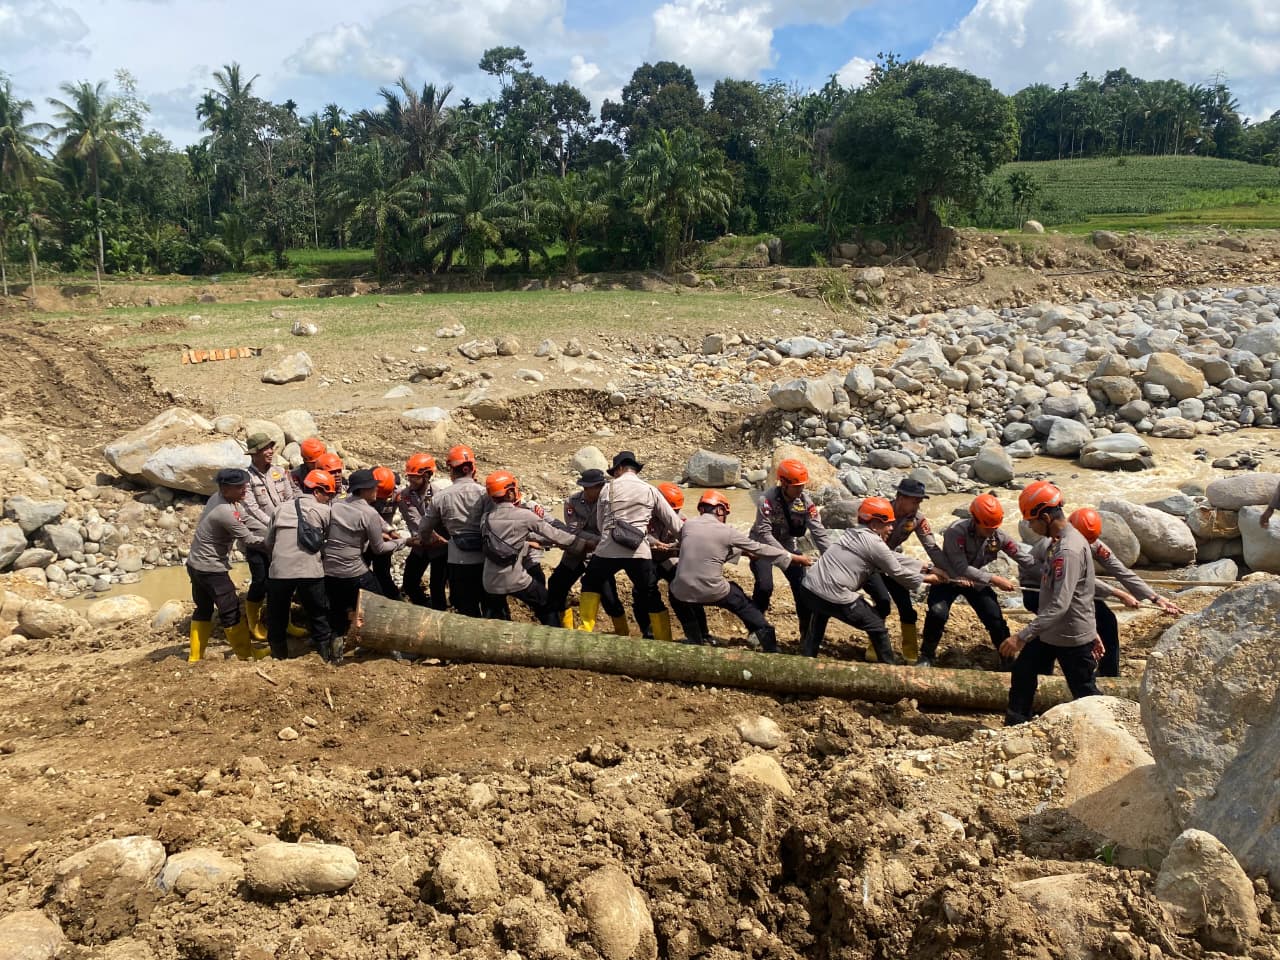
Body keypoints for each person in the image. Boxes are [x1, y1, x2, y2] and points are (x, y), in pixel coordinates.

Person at [794, 497, 945, 662]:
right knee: (877, 627)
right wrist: (928, 578)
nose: (891, 528)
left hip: (809, 589)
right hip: (835, 594)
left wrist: (925, 566)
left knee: (821, 612)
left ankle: (808, 658)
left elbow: (888, 556)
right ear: (874, 524)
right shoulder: (874, 543)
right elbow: (897, 571)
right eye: (887, 524)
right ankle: (889, 671)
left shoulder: (853, 532)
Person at [1002, 483, 1102, 725]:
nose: (1031, 527)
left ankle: (1112, 730)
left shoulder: (1067, 550)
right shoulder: (1058, 541)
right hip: (1051, 632)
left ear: (1045, 517)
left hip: (1070, 637)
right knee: (1023, 671)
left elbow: (1060, 604)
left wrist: (1022, 636)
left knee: (1086, 693)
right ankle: (1016, 723)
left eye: (1031, 521)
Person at [669, 490, 809, 651]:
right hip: (713, 590)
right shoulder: (727, 531)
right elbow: (759, 548)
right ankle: (769, 645)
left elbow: (705, 547)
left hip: (680, 592)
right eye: (724, 514)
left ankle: (695, 640)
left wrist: (742, 552)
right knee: (741, 600)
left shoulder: (688, 525)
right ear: (719, 510)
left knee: (677, 595)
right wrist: (792, 558)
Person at [1050, 507, 1181, 677]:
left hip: (1078, 592)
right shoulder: (1060, 546)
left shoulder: (1092, 543)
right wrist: (1120, 594)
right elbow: (1081, 579)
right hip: (1053, 593)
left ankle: (1109, 674)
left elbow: (1120, 570)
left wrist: (1155, 597)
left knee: (1106, 621)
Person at [919, 493, 1036, 668]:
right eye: (987, 527)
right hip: (948, 577)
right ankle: (927, 655)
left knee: (994, 617)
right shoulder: (956, 531)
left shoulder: (998, 536)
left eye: (994, 528)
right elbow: (961, 567)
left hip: (975, 581)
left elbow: (1022, 557)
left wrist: (1046, 571)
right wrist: (995, 579)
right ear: (975, 520)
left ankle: (1006, 658)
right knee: (937, 613)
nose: (991, 531)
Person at [577, 451, 681, 641]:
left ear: (619, 469)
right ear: (634, 469)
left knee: (591, 583)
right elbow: (674, 524)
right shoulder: (650, 490)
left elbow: (601, 525)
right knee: (650, 594)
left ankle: (584, 631)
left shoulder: (607, 490)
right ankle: (665, 641)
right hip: (639, 551)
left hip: (607, 549)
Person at [480, 471, 586, 623]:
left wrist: (530, 541)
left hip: (490, 581)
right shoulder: (525, 514)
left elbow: (502, 542)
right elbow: (555, 533)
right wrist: (582, 544)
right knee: (546, 604)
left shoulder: (485, 519)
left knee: (497, 619)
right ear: (510, 492)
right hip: (515, 577)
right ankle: (556, 641)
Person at [185, 467, 267, 662]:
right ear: (225, 488)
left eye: (244, 485)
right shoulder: (224, 512)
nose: (244, 490)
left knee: (203, 609)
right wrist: (276, 542)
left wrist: (271, 527)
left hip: (195, 564)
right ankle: (246, 654)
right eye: (239, 487)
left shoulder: (221, 499)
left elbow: (245, 518)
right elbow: (248, 539)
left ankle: (195, 657)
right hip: (211, 568)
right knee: (230, 611)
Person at [862, 478, 946, 663]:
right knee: (883, 604)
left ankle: (910, 655)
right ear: (900, 497)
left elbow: (931, 547)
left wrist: (946, 569)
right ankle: (874, 650)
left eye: (919, 501)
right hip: (870, 565)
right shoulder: (880, 512)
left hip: (892, 564)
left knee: (907, 610)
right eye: (914, 500)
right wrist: (922, 569)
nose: (917, 505)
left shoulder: (917, 519)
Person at [749, 459, 832, 642]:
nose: (800, 490)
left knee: (802, 587)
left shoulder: (805, 502)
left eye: (802, 486)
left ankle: (806, 633)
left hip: (787, 544)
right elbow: (764, 532)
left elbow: (818, 531)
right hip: (762, 546)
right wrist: (788, 557)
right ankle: (756, 627)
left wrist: (832, 557)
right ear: (783, 483)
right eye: (796, 486)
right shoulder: (767, 500)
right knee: (765, 586)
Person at [545, 469, 630, 633]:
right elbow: (573, 530)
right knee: (556, 585)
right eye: (591, 487)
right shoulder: (572, 501)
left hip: (599, 557)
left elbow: (611, 529)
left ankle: (623, 632)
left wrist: (596, 540)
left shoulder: (610, 502)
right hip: (576, 553)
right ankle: (565, 629)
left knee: (609, 597)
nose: (595, 490)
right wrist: (596, 540)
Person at [264, 469, 337, 662]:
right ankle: (324, 658)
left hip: (280, 572)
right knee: (318, 615)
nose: (329, 499)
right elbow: (330, 541)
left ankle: (278, 659)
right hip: (310, 571)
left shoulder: (280, 508)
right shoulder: (325, 511)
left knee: (276, 617)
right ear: (317, 491)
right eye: (328, 494)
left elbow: (268, 542)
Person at [324, 468, 403, 640]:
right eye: (373, 487)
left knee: (337, 612)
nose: (376, 490)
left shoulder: (337, 504)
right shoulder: (369, 513)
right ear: (364, 490)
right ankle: (389, 647)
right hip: (353, 571)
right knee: (379, 606)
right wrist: (402, 542)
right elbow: (379, 549)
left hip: (329, 571)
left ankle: (332, 654)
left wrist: (386, 529)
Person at [420, 445, 489, 618]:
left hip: (458, 561)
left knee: (465, 607)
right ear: (471, 468)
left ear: (452, 469)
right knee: (489, 604)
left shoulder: (441, 497)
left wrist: (428, 540)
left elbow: (424, 528)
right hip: (485, 559)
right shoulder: (485, 494)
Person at [240, 432, 296, 642]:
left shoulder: (280, 472)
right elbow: (251, 508)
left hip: (283, 537)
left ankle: (284, 622)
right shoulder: (246, 478)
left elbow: (290, 497)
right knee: (261, 581)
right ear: (254, 453)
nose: (270, 451)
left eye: (271, 447)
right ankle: (254, 624)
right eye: (265, 448)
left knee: (284, 580)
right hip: (258, 539)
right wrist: (276, 524)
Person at [398, 454, 449, 610]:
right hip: (421, 546)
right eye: (409, 476)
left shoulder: (440, 494)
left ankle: (439, 614)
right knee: (409, 583)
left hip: (440, 549)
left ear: (427, 475)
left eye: (415, 477)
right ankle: (424, 606)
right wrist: (432, 538)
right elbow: (417, 523)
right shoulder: (405, 496)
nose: (410, 480)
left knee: (437, 587)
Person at [637, 481, 686, 639]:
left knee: (683, 591)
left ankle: (699, 632)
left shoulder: (681, 520)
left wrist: (673, 546)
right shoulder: (644, 516)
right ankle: (648, 630)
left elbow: (687, 538)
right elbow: (638, 533)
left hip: (669, 559)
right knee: (640, 592)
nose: (674, 513)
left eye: (676, 510)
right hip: (649, 558)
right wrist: (653, 542)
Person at [369, 466, 402, 600]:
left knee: (383, 572)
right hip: (366, 536)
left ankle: (393, 600)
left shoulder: (397, 492)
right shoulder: (365, 490)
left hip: (386, 537)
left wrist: (390, 531)